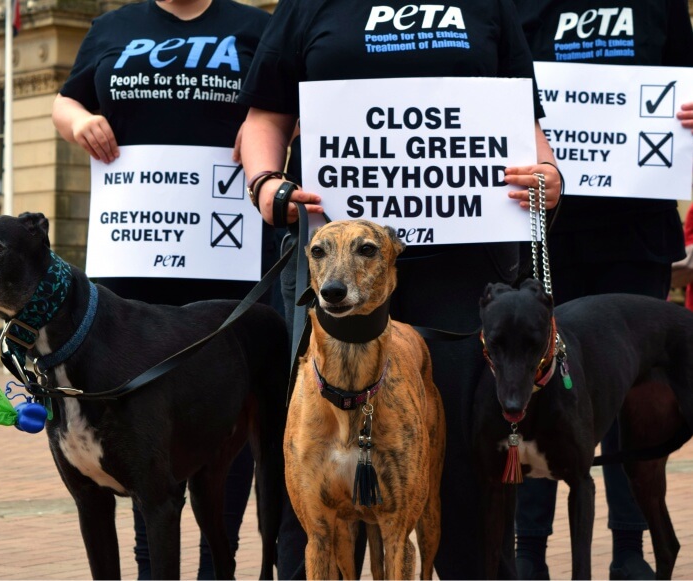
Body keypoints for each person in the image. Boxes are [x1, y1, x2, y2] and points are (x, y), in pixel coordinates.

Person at [237, 1, 562, 578]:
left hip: (464, 268)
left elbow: (522, 118)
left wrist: (548, 172)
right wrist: (266, 183)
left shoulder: (487, 5)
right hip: (338, 268)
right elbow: (265, 118)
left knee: (463, 464)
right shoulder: (307, 6)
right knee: (317, 470)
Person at [51, 0, 274, 578]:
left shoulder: (255, 27)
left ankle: (216, 563)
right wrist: (78, 121)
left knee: (223, 415)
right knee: (129, 416)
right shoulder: (112, 27)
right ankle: (153, 563)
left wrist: (264, 126)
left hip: (226, 255)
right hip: (130, 255)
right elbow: (66, 99)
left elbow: (286, 105)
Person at [511, 1, 693, 579]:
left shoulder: (662, 5)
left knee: (626, 396)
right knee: (531, 392)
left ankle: (629, 549)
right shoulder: (516, 5)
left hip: (635, 234)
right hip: (542, 233)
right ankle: (529, 550)